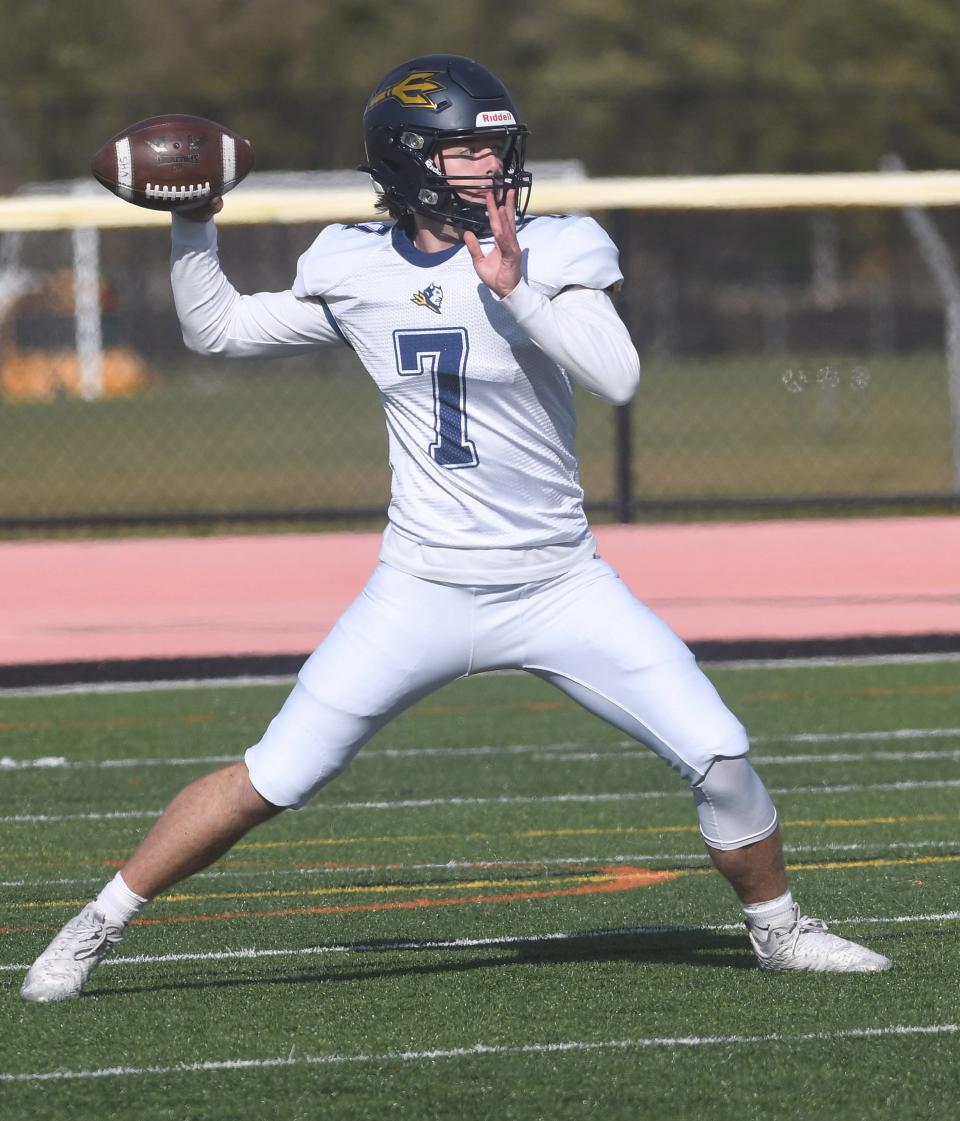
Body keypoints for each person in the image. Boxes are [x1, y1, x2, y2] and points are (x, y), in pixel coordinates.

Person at [21, 54, 890, 1003]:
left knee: (720, 755)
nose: (491, 166)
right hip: (422, 585)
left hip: (561, 581)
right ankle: (96, 922)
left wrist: (516, 288)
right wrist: (194, 221)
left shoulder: (555, 247)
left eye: (497, 148)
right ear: (410, 159)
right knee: (274, 777)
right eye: (469, 149)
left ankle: (779, 931)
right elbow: (217, 330)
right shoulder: (353, 262)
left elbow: (620, 374)